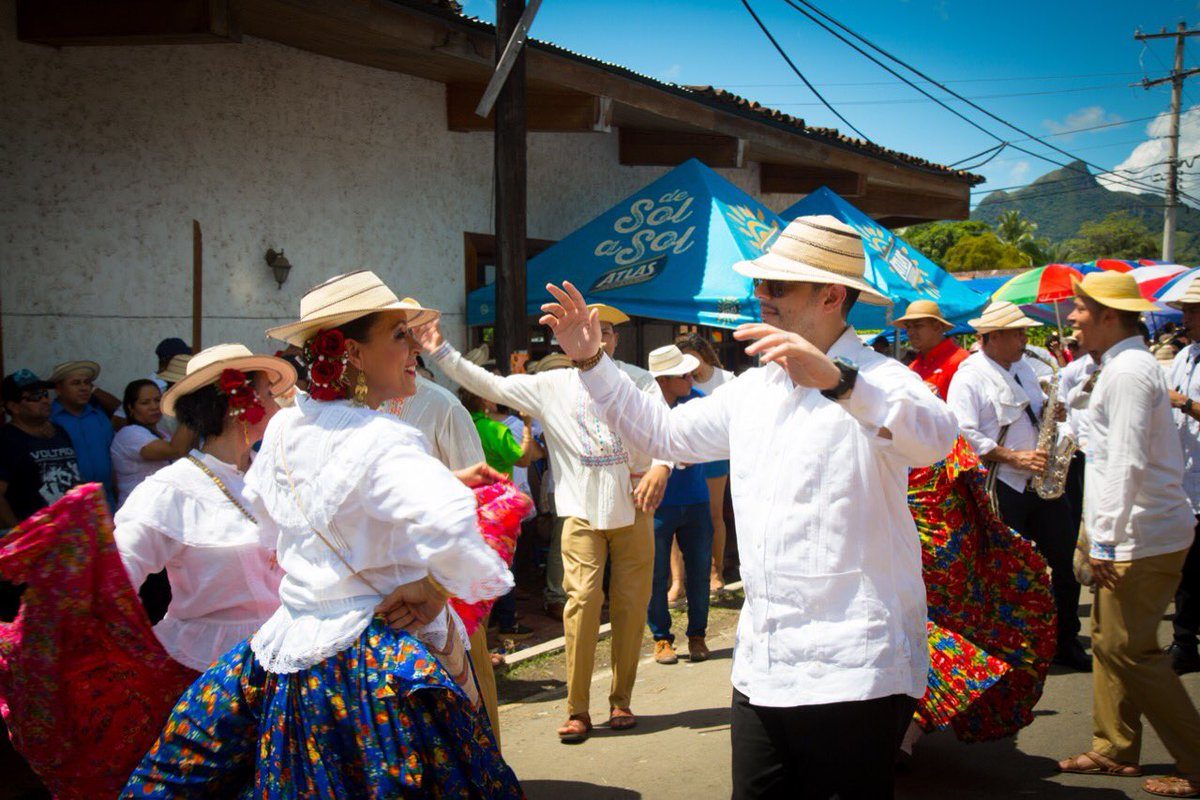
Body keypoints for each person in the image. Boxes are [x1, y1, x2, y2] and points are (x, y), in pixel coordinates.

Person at [540, 214, 958, 798]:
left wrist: (841, 382)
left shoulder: (883, 379)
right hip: (765, 666)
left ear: (832, 295)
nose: (760, 297)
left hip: (855, 665)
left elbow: (935, 438)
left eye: (777, 287)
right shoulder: (755, 389)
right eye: (761, 285)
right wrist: (592, 363)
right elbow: (661, 434)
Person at [124, 272, 521, 797]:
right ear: (352, 355)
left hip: (294, 655)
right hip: (376, 659)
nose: (413, 352)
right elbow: (451, 526)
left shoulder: (289, 430)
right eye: (399, 336)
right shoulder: (385, 437)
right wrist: (435, 586)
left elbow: (308, 510)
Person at [421, 303, 671, 745]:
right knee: (582, 602)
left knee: (631, 604)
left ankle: (621, 700)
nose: (601, 338)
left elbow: (668, 431)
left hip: (634, 506)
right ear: (569, 339)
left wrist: (662, 467)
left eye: (607, 332)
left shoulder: (639, 380)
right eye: (591, 330)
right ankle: (577, 709)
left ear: (615, 340)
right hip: (579, 509)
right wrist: (441, 352)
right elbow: (489, 384)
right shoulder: (551, 384)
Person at [1057, 271, 1200, 798]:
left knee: (1129, 650)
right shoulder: (1122, 367)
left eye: (1079, 309)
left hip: (1143, 533)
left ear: (1108, 315)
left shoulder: (1129, 371)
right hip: (1132, 528)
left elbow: (1127, 463)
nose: (1072, 319)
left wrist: (1106, 540)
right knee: (1110, 642)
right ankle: (1114, 746)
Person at [946, 301, 1090, 672]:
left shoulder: (1025, 366)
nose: (1025, 340)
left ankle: (1065, 640)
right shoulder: (970, 376)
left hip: (1041, 480)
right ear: (992, 337)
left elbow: (1037, 410)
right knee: (1009, 570)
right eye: (1018, 333)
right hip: (1004, 484)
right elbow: (962, 433)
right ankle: (1014, 650)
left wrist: (1051, 413)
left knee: (1062, 562)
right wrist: (1011, 456)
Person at [380, 365, 508, 746]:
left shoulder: (443, 406)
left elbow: (479, 499)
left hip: (441, 579)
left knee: (468, 688)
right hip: (384, 590)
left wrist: (448, 584)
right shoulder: (345, 410)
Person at [644, 344, 712, 665]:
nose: (691, 379)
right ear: (664, 379)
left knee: (699, 570)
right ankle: (661, 639)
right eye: (684, 374)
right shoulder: (644, 408)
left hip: (696, 499)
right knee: (655, 574)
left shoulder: (698, 401)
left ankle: (697, 635)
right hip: (657, 504)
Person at [458, 384, 544, 640]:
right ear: (486, 400)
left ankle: (484, 624)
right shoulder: (494, 429)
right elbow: (524, 459)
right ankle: (507, 622)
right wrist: (527, 425)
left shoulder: (463, 424)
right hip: (497, 508)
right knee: (502, 564)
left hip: (467, 502)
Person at [676, 331, 734, 594]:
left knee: (713, 513)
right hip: (684, 455)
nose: (688, 367)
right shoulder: (678, 381)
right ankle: (677, 581)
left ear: (704, 355)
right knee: (678, 516)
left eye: (692, 359)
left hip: (715, 456)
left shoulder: (727, 380)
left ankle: (716, 572)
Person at [1165, 280, 1200, 675]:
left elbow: (1180, 402)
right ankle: (1185, 639)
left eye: (1192, 311)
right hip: (1185, 477)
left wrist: (1186, 403)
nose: (1185, 318)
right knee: (1189, 571)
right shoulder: (1185, 356)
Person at [0, 370, 83, 529]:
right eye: (35, 396)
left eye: (45, 394)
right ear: (13, 406)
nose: (45, 400)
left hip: (69, 533)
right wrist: (19, 534)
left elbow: (74, 476)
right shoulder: (6, 440)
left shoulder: (59, 432)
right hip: (34, 540)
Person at [110, 379, 195, 508]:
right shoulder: (129, 434)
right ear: (130, 407)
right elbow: (176, 450)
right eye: (145, 403)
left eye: (157, 400)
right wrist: (192, 411)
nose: (154, 407)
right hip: (137, 514)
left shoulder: (163, 434)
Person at [49, 360, 116, 505]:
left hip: (105, 500)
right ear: (58, 389)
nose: (83, 388)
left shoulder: (99, 416)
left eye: (87, 383)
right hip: (67, 504)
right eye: (76, 383)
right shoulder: (49, 420)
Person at [893, 299, 967, 400]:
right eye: (908, 327)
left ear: (937, 326)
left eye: (918, 326)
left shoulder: (962, 362)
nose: (910, 332)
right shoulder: (912, 368)